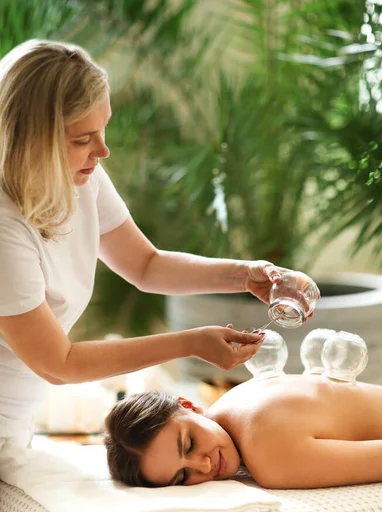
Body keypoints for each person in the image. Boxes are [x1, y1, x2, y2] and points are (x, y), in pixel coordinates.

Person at [0, 39, 319, 447]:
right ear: (30, 140)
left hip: (16, 419)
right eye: (83, 139)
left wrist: (246, 274)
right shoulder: (6, 229)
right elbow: (59, 364)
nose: (103, 150)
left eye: (103, 128)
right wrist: (190, 342)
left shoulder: (82, 178)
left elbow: (146, 265)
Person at [104, 374, 382, 489]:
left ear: (188, 405)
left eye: (190, 444)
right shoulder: (236, 398)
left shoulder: (268, 454)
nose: (204, 465)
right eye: (182, 476)